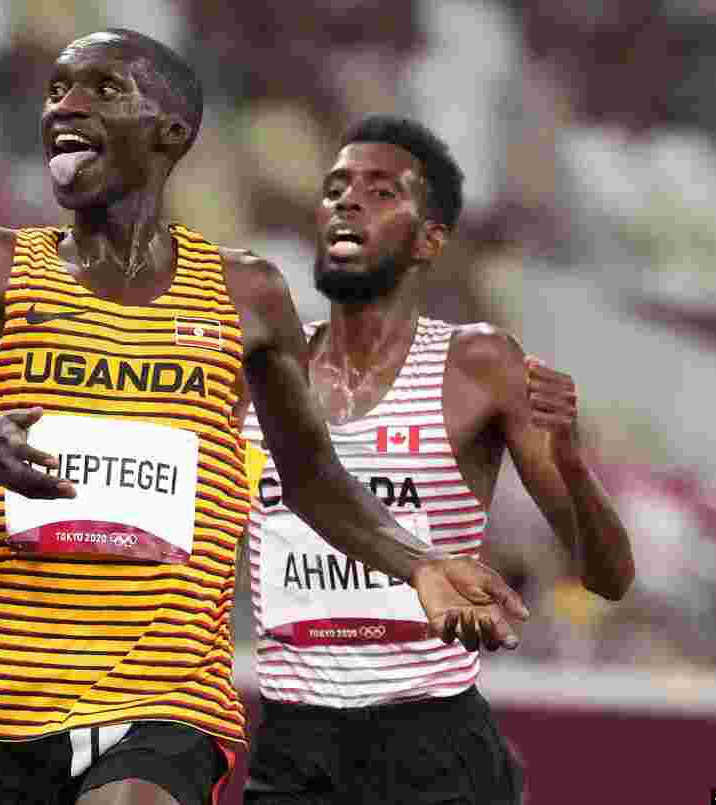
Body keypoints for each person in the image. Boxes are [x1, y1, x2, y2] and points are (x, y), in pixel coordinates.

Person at [0, 34, 528, 805]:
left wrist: (419, 563)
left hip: (166, 698)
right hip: (3, 702)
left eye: (104, 89)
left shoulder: (246, 295)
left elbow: (313, 479)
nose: (66, 106)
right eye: (56, 91)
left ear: (171, 131)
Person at [241, 115, 637, 804]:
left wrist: (570, 460)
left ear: (431, 238)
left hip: (431, 746)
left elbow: (608, 575)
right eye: (335, 187)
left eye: (381, 191)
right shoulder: (261, 369)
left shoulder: (479, 366)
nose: (348, 201)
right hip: (292, 744)